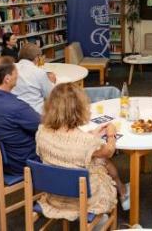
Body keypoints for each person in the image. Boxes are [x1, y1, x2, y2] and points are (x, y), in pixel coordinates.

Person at [36, 83, 130, 219]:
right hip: (84, 199)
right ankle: (117, 197)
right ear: (79, 108)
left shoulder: (42, 132)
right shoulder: (85, 142)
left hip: (54, 194)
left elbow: (67, 145)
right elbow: (109, 151)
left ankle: (121, 190)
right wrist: (111, 134)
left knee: (95, 159)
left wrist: (91, 136)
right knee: (102, 160)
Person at [0, 56, 41, 175]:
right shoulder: (17, 107)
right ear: (7, 79)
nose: (18, 76)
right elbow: (42, 126)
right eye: (16, 73)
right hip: (22, 163)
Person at [11, 43, 56, 114]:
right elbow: (50, 95)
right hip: (35, 112)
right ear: (36, 57)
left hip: (13, 112)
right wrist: (52, 82)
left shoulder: (10, 68)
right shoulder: (39, 72)